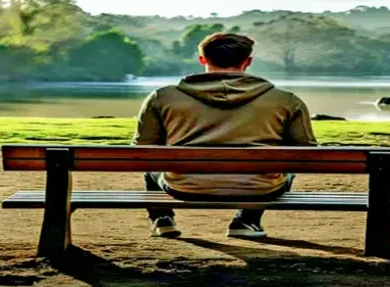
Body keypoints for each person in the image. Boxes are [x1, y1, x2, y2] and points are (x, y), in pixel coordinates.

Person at [131, 32, 317, 239]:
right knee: (286, 171)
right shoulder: (286, 100)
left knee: (151, 167)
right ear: (247, 61)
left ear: (203, 59)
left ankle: (163, 220)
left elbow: (143, 148)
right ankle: (247, 221)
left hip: (184, 187)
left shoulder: (163, 97)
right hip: (259, 189)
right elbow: (305, 151)